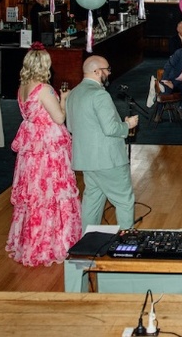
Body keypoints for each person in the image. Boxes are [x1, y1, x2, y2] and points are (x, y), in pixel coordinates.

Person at [5, 44, 80, 267]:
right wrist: (64, 99)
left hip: (32, 145)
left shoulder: (22, 87)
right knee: (53, 191)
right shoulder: (44, 89)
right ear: (44, 65)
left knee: (34, 193)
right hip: (48, 147)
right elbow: (58, 118)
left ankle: (30, 241)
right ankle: (54, 242)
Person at [67, 55, 139, 232]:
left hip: (87, 159)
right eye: (107, 69)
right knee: (124, 200)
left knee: (93, 200)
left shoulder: (73, 93)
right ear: (96, 71)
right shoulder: (100, 95)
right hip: (108, 160)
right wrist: (127, 125)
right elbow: (110, 129)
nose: (109, 73)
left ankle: (87, 242)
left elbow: (70, 126)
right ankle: (125, 244)